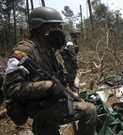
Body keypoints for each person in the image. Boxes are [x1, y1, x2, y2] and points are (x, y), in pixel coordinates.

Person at [4, 7, 96, 135]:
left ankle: (43, 127)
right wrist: (47, 86)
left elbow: (64, 78)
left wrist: (67, 53)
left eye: (59, 27)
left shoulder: (48, 50)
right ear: (41, 28)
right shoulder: (23, 51)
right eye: (55, 27)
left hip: (49, 102)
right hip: (36, 106)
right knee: (89, 111)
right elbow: (12, 89)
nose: (59, 31)